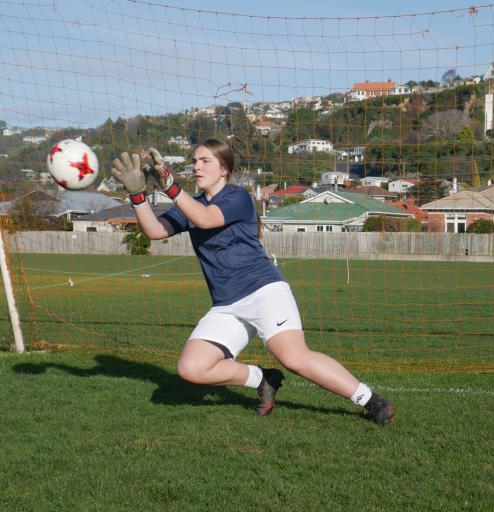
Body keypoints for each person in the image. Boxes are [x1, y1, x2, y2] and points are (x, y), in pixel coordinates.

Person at [111, 138, 395, 425]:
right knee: (191, 368)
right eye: (194, 161)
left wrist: (171, 186)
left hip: (263, 292)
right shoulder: (191, 204)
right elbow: (155, 231)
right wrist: (137, 195)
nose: (197, 166)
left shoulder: (238, 197)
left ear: (224, 169)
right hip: (226, 303)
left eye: (205, 161)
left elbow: (207, 219)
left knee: (294, 357)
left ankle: (371, 400)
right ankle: (263, 379)